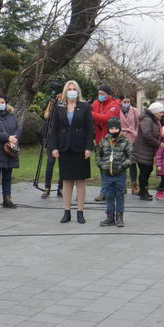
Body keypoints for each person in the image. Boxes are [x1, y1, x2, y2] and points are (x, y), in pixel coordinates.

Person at [49, 81, 94, 224]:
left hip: (80, 148)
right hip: (64, 148)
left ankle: (80, 211)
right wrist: (54, 147)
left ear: (78, 91)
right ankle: (66, 211)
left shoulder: (85, 107)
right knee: (67, 181)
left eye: (74, 89)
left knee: (80, 181)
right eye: (69, 89)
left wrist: (88, 147)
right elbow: (54, 130)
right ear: (65, 92)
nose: (72, 91)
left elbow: (89, 129)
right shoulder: (59, 107)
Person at [96, 117, 134, 227]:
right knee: (109, 196)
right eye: (111, 128)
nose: (113, 130)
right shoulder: (104, 141)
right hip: (107, 174)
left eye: (116, 128)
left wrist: (123, 166)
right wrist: (101, 164)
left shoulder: (125, 141)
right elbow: (98, 154)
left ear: (120, 129)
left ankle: (119, 217)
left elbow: (131, 156)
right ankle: (109, 217)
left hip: (120, 174)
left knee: (120, 196)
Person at [91, 84, 120, 201]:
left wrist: (90, 113)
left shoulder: (114, 105)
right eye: (99, 93)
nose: (100, 96)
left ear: (109, 95)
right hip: (99, 140)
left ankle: (109, 191)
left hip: (111, 141)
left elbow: (106, 118)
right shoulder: (95, 104)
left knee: (110, 167)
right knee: (102, 167)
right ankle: (106, 191)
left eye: (103, 94)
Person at [133, 102, 164, 201]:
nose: (162, 114)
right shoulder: (147, 120)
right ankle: (143, 193)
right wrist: (158, 143)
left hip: (147, 150)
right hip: (142, 150)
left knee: (147, 170)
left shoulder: (153, 120)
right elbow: (147, 135)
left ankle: (144, 191)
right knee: (145, 172)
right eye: (160, 112)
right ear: (155, 112)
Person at [40, 95, 63, 198]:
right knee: (50, 163)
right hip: (51, 138)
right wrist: (51, 103)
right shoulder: (53, 104)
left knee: (63, 165)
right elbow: (46, 116)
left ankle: (61, 188)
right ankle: (47, 188)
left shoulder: (68, 105)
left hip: (63, 139)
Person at [118, 95, 140, 194]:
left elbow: (139, 123)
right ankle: (122, 186)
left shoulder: (135, 111)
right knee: (122, 163)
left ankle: (134, 185)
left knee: (132, 163)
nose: (126, 103)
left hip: (133, 139)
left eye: (128, 101)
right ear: (121, 101)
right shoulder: (117, 111)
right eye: (124, 101)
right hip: (121, 139)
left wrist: (136, 133)